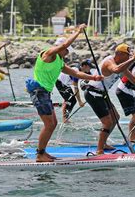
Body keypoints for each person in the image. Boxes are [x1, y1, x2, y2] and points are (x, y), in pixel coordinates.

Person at [27, 24, 104, 162]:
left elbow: (75, 73)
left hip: (45, 93)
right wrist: (78, 32)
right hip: (39, 91)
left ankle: (43, 152)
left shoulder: (59, 62)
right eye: (67, 50)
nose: (67, 53)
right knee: (49, 125)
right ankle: (40, 154)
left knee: (53, 123)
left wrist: (93, 77)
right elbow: (63, 46)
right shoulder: (48, 54)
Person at [82, 43, 135, 155]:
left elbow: (134, 80)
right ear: (119, 54)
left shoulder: (121, 65)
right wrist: (134, 58)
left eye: (130, 56)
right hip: (93, 93)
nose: (129, 57)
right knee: (107, 122)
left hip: (102, 94)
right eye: (127, 55)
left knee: (116, 117)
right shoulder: (109, 62)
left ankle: (104, 143)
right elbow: (115, 70)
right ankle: (99, 150)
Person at [55, 57, 92, 123]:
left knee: (69, 99)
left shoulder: (85, 70)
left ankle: (65, 109)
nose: (90, 68)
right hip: (60, 83)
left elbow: (93, 77)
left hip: (66, 84)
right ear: (84, 66)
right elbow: (76, 88)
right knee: (72, 100)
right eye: (89, 67)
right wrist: (80, 101)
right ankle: (65, 118)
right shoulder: (76, 71)